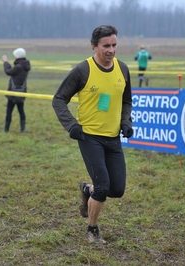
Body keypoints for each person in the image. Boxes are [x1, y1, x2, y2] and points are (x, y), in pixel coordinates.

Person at [52, 25, 133, 244]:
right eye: (106, 45)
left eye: (114, 45)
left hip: (113, 137)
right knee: (104, 187)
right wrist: (71, 125)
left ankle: (88, 189)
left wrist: (126, 121)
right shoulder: (82, 70)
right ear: (94, 46)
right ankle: (92, 230)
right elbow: (58, 99)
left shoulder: (123, 69)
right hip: (89, 137)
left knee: (117, 190)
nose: (111, 50)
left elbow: (126, 100)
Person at [2, 48, 31, 133]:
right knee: (21, 111)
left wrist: (5, 62)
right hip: (21, 92)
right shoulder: (24, 66)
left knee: (9, 111)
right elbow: (13, 72)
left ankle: (6, 130)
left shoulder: (19, 66)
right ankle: (22, 129)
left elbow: (8, 71)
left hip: (13, 93)